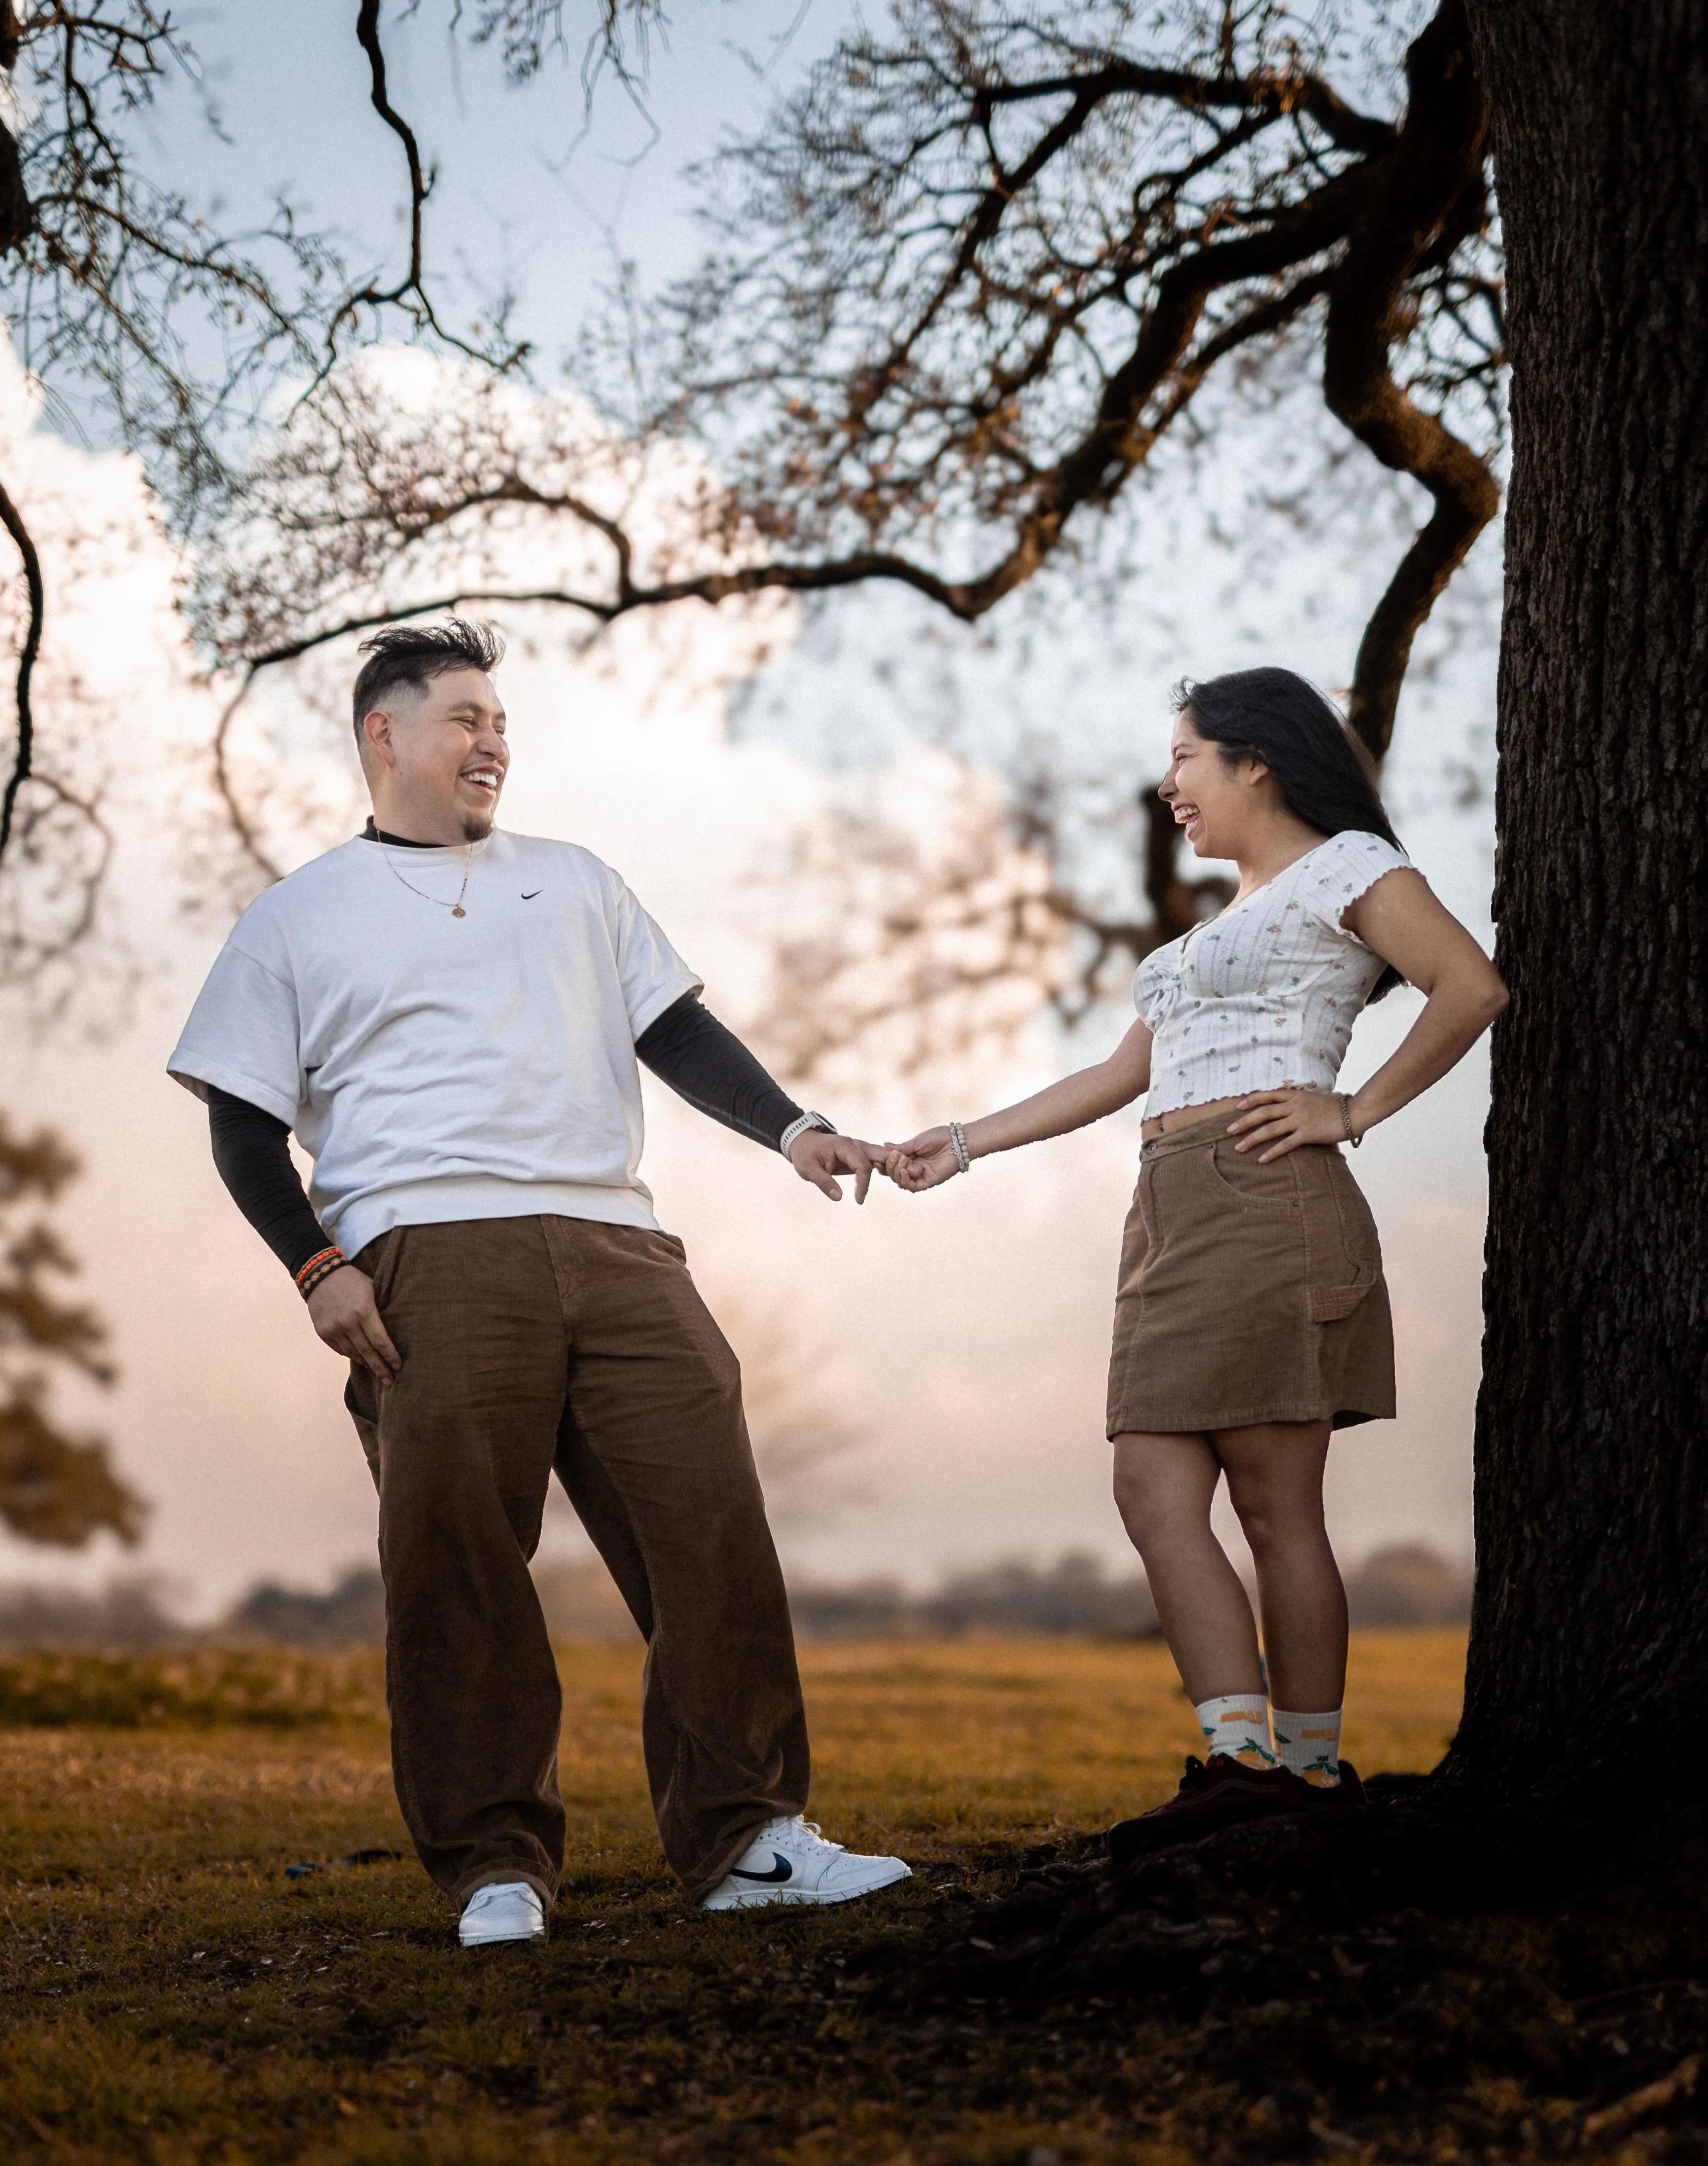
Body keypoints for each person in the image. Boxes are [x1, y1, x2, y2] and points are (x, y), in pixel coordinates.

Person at [168, 617, 911, 1946]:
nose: (492, 739)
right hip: (426, 1254)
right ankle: (495, 1863)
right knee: (458, 1560)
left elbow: (675, 1028)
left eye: (500, 720)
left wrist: (794, 1127)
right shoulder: (295, 918)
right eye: (463, 716)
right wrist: (316, 1265)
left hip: (619, 1244)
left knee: (711, 1533)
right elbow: (238, 1120)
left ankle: (749, 1838)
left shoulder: (575, 882)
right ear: (381, 735)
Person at [883, 667, 1506, 1861]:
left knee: (1277, 1507)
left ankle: (1310, 1776)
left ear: (1255, 760)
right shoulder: (1203, 934)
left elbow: (1468, 986)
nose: (1168, 784)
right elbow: (1118, 1078)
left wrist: (1351, 1108)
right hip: (1167, 1210)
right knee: (1150, 1488)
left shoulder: (1350, 868)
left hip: (1271, 1195)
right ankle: (1240, 1761)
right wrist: (961, 1142)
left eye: (1185, 758)